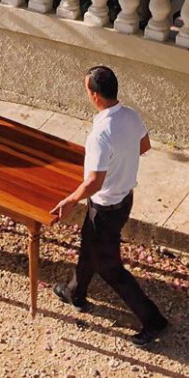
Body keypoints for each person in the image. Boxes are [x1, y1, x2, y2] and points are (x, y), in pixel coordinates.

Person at [50, 65, 168, 348]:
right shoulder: (130, 115)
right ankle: (75, 292)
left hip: (105, 207)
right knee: (89, 243)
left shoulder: (100, 134)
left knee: (110, 267)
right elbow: (144, 145)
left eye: (87, 90)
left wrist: (70, 200)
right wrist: (121, 160)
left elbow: (94, 182)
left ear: (95, 95)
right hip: (124, 199)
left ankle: (153, 320)